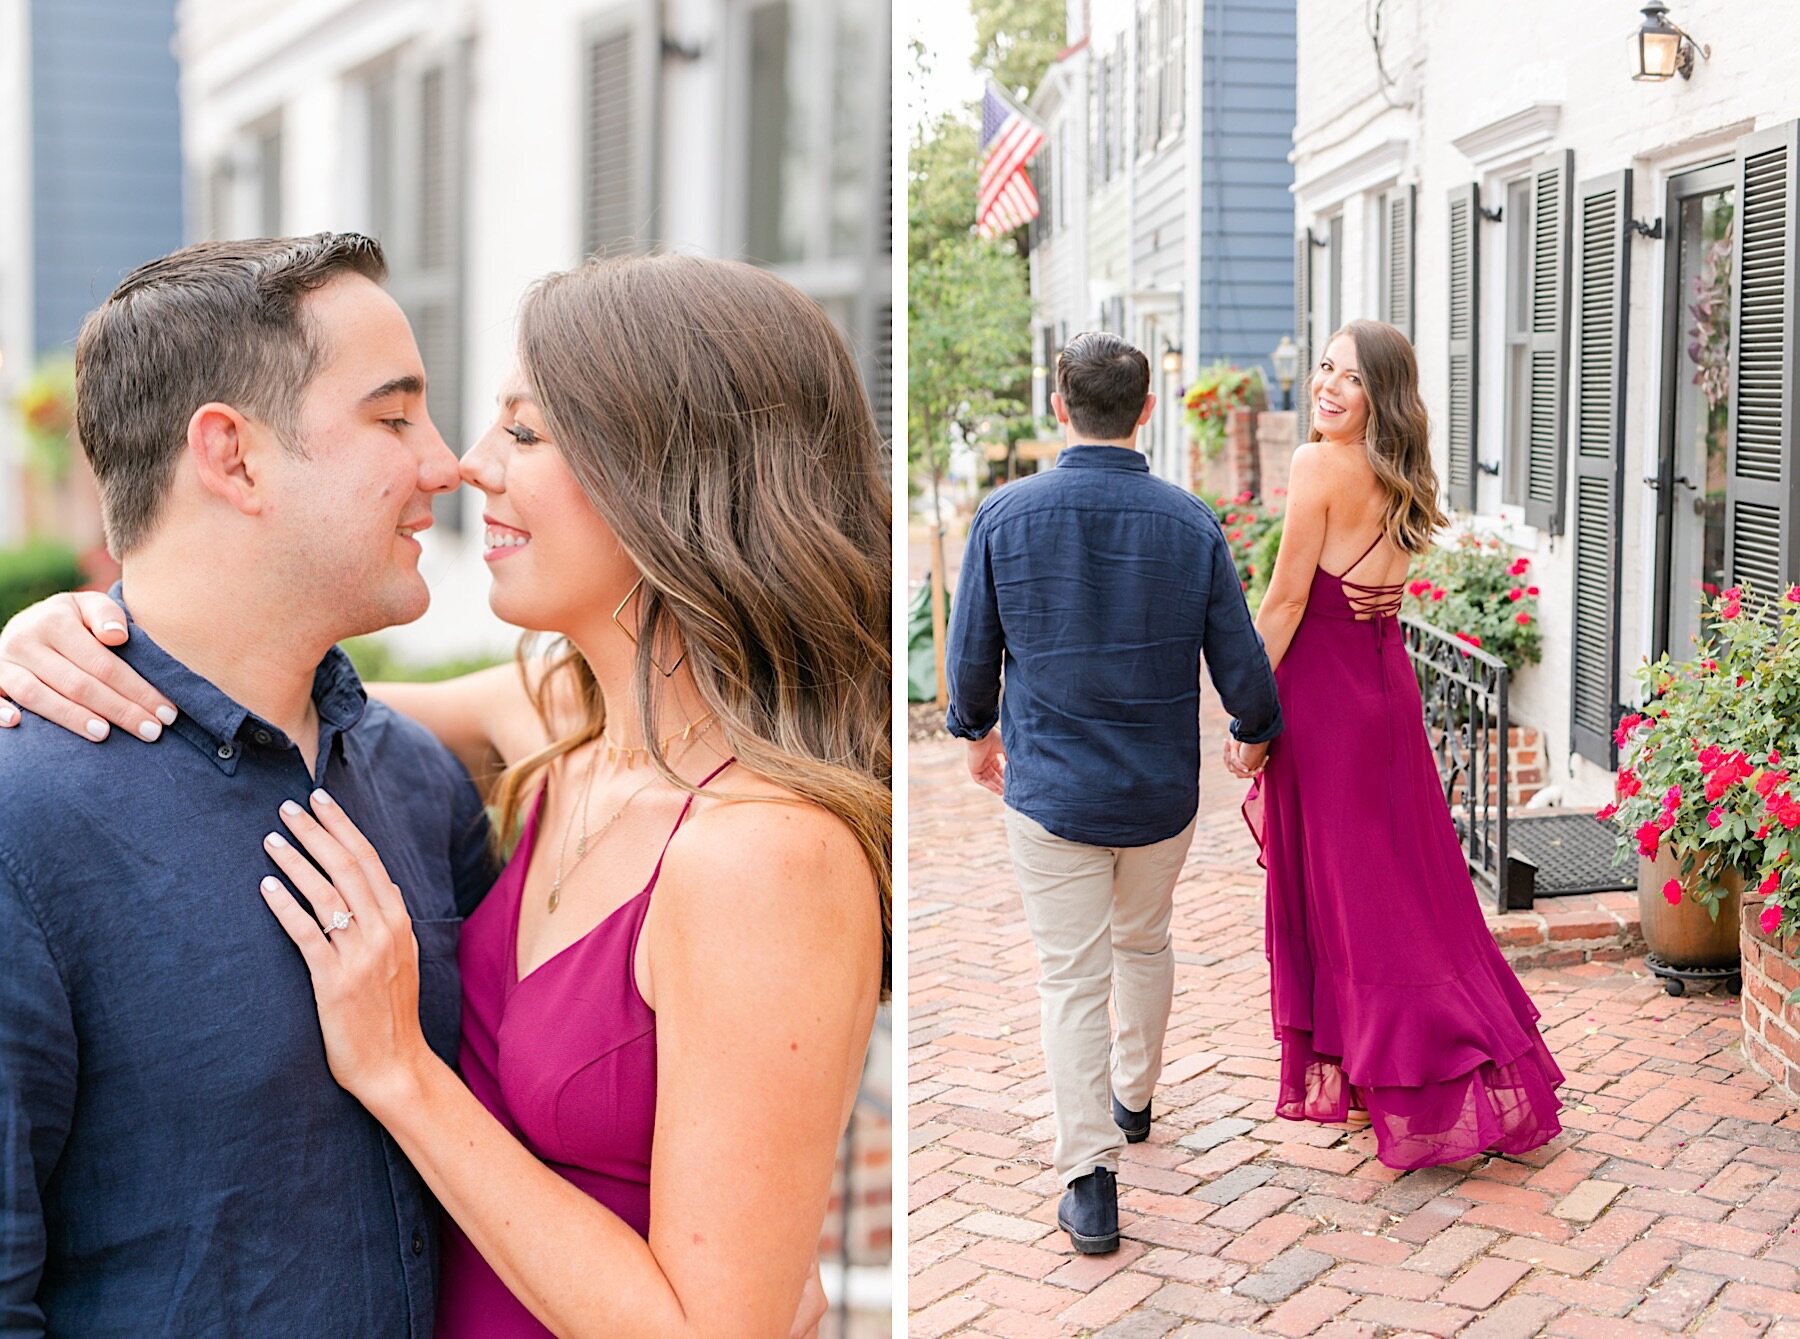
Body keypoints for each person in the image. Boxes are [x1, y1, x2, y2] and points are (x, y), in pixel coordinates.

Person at [0, 238, 886, 1336]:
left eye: (521, 429)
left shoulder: (738, 842)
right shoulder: (550, 734)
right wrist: (69, 643)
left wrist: (401, 1071)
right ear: (231, 458)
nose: (458, 464)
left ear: (668, 476)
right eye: (397, 417)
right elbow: (255, 698)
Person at [944, 331, 1282, 1255]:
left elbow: (972, 657)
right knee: (1144, 940)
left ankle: (1089, 1178)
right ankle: (1133, 1097)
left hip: (1052, 792)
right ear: (1147, 411)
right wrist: (1253, 732)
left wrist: (974, 734)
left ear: (1061, 407)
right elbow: (1241, 662)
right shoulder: (1189, 522)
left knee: (1070, 976)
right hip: (1157, 796)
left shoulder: (1004, 517)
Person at [1234, 318, 1563, 1170]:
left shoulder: (1317, 465)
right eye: (1325, 369)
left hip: (1326, 703)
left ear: (1381, 393)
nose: (1327, 386)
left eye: (1349, 377)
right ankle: (1384, 1068)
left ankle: (1417, 1066)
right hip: (1385, 691)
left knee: (1352, 897)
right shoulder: (1402, 474)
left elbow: (1284, 603)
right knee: (1405, 883)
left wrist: (1245, 715)